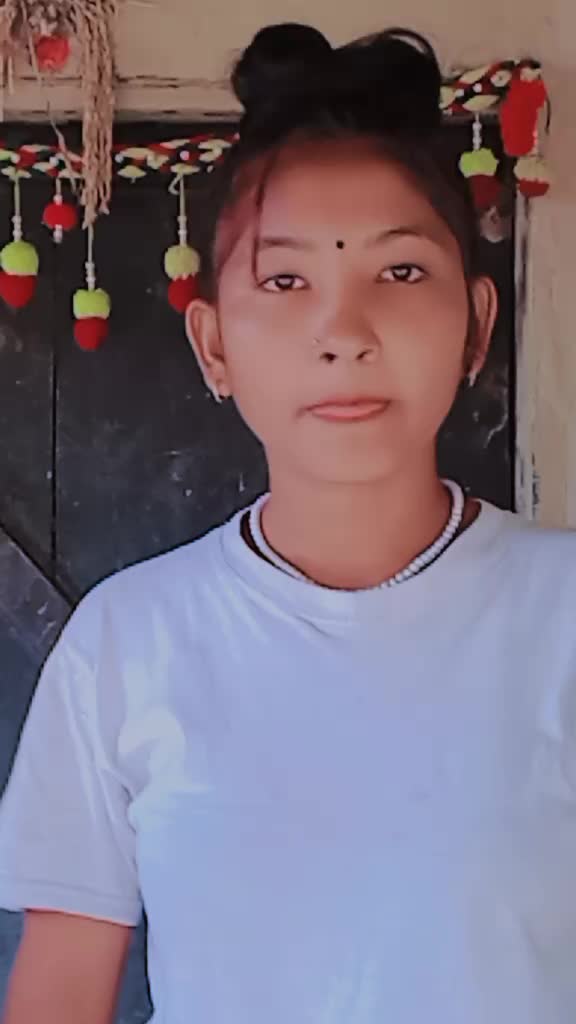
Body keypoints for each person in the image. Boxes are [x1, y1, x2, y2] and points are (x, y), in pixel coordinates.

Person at [0, 22, 575, 1024]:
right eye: (285, 280)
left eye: (401, 273)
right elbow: (59, 994)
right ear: (214, 345)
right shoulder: (126, 644)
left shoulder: (563, 613)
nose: (342, 334)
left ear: (477, 325)